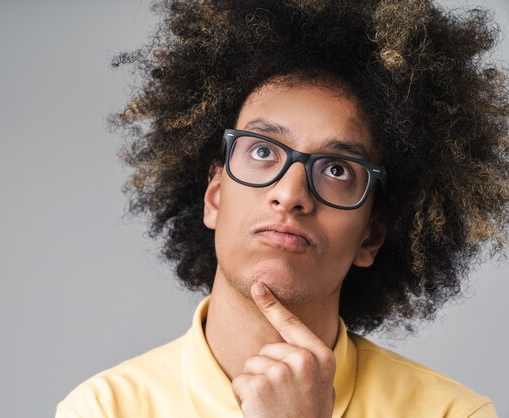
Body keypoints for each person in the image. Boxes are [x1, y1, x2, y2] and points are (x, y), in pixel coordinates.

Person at [56, 0, 508, 416]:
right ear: (215, 197)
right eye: (261, 151)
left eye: (336, 169)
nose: (290, 194)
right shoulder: (102, 409)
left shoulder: (452, 414)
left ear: (369, 236)